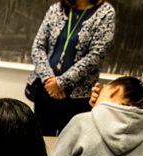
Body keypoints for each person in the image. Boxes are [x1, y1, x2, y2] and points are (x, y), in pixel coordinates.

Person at [28, 0, 116, 136]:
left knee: (69, 145)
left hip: (78, 97)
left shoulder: (105, 12)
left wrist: (60, 82)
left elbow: (96, 55)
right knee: (40, 142)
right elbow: (38, 47)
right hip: (46, 90)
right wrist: (48, 79)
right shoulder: (56, 9)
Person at [50, 75, 143, 156]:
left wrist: (98, 109)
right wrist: (98, 108)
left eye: (104, 88)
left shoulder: (81, 121)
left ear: (115, 91)